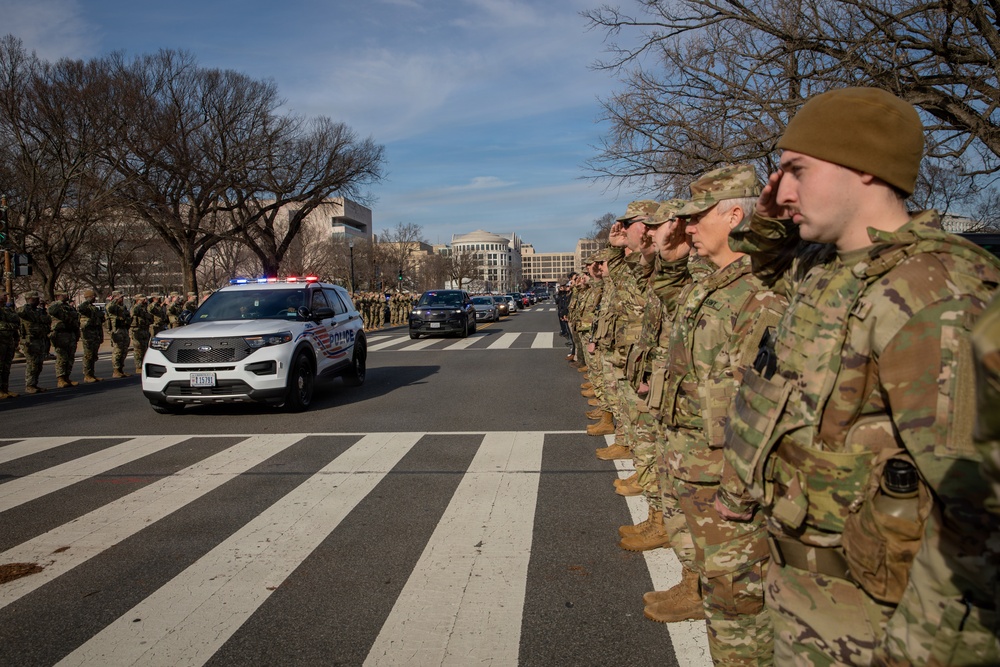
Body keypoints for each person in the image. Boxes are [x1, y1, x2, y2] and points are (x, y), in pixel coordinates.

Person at [724, 87, 1000, 665]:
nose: (781, 190)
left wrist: (920, 652)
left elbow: (977, 510)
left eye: (797, 169)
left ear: (866, 167)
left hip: (880, 627)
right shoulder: (824, 266)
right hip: (811, 601)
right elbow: (762, 263)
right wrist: (774, 218)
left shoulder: (931, 291)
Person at [641, 166, 784, 663]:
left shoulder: (761, 293)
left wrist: (735, 486)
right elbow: (664, 288)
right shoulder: (716, 283)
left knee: (738, 607)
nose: (689, 227)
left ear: (735, 215)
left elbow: (761, 409)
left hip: (726, 473)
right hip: (695, 460)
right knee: (720, 593)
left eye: (698, 217)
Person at [17, 291, 50, 393]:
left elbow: (47, 320)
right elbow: (20, 312)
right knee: (32, 363)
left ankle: (34, 384)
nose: (37, 301)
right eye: (35, 299)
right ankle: (29, 385)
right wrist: (28, 305)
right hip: (29, 340)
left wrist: (43, 309)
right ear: (30, 299)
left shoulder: (38, 311)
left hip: (39, 340)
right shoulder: (25, 310)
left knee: (39, 364)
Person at [48, 290, 81, 388]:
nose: (67, 295)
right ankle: (61, 378)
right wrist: (59, 302)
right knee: (62, 357)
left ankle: (67, 377)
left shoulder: (68, 307)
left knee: (70, 357)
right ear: (58, 296)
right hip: (60, 334)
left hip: (70, 333)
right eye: (64, 294)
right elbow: (52, 311)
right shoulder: (55, 306)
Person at [77, 289, 105, 382]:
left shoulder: (94, 308)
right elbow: (81, 308)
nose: (94, 299)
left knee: (93, 355)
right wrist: (87, 301)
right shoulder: (86, 308)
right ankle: (87, 375)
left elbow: (101, 319)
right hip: (88, 335)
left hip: (95, 334)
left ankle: (92, 374)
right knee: (88, 355)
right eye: (93, 297)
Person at [0, 288, 20, 399]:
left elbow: (16, 320)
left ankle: (5, 389)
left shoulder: (7, 310)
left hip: (8, 341)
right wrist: (11, 325)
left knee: (6, 367)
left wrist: (16, 338)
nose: (5, 297)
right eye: (3, 295)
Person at [105, 291, 131, 378]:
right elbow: (109, 308)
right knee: (118, 350)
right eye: (120, 297)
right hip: (117, 330)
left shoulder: (122, 307)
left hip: (124, 329)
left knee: (124, 350)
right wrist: (115, 300)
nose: (122, 299)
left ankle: (120, 369)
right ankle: (116, 370)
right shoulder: (112, 306)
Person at [130, 295, 153, 373]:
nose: (145, 301)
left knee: (144, 348)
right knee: (138, 349)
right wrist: (139, 303)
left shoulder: (145, 308)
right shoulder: (135, 307)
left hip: (144, 329)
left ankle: (143, 365)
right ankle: (138, 366)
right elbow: (134, 312)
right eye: (143, 299)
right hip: (137, 330)